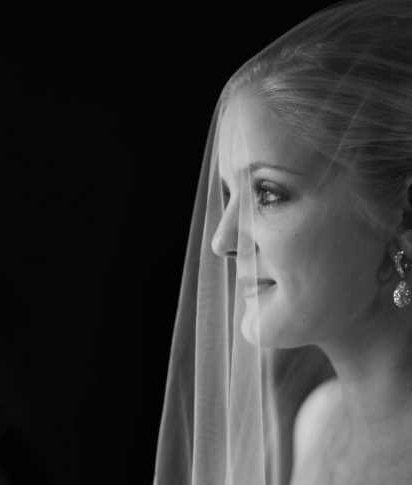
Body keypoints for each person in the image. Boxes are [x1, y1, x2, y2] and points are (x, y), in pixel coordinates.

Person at [152, 0, 412, 484]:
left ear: (404, 212)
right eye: (227, 195)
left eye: (267, 193)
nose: (221, 241)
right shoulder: (318, 423)